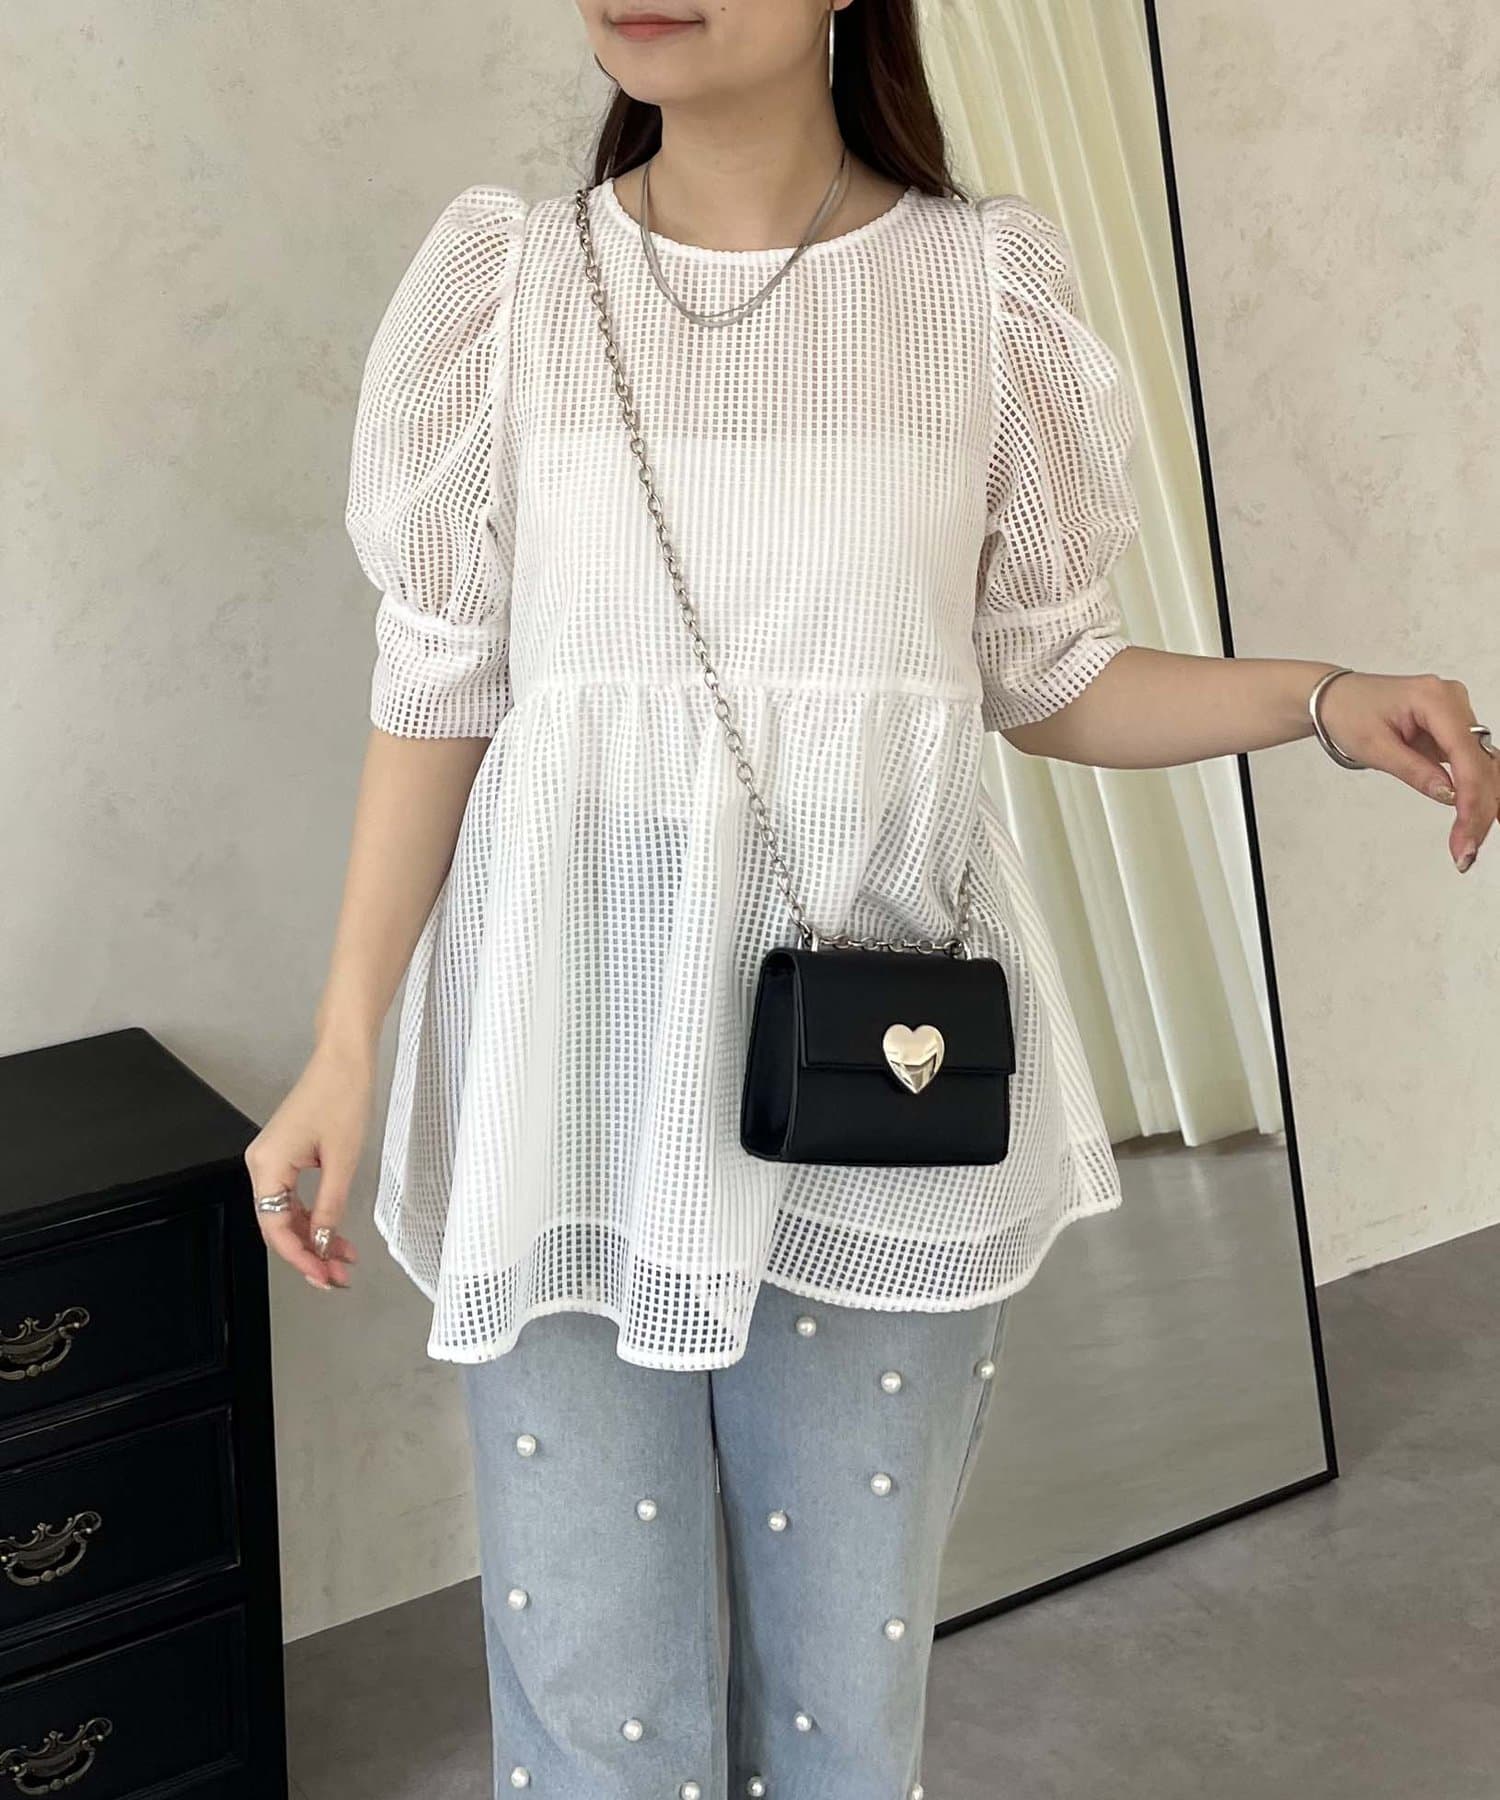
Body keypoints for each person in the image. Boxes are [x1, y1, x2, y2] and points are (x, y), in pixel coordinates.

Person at [245, 2, 1498, 1795]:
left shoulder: (980, 289)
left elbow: (1045, 673)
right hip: (570, 1081)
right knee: (594, 1720)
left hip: (882, 1079)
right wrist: (346, 1038)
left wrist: (1321, 701)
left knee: (847, 1714)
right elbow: (438, 688)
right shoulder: (504, 288)